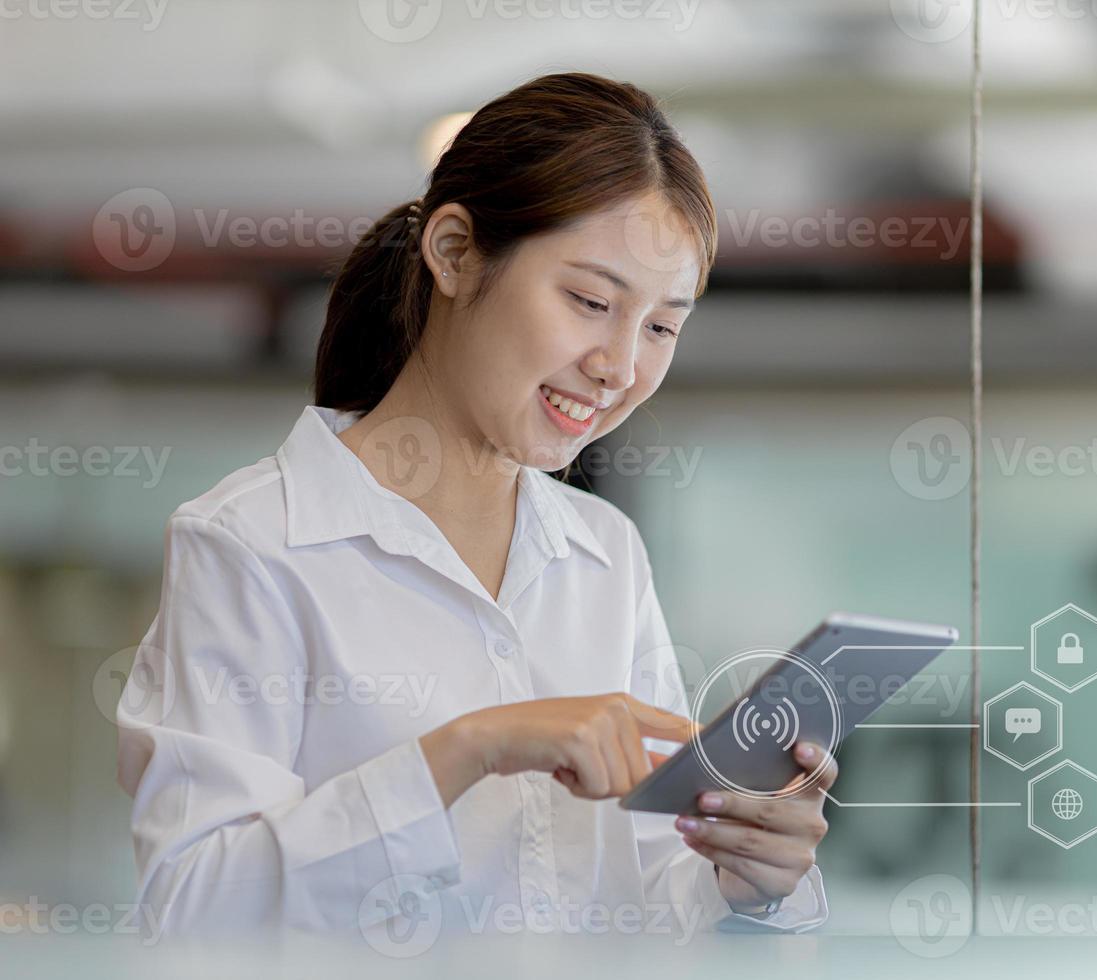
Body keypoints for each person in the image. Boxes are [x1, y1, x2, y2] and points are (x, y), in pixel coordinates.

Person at [115, 71, 833, 940]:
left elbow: (641, 901)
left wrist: (742, 879)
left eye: (660, 327)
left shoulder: (605, 554)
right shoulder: (253, 543)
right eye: (592, 302)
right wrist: (468, 749)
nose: (619, 365)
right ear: (455, 253)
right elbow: (191, 911)